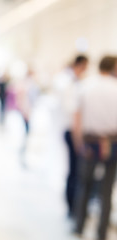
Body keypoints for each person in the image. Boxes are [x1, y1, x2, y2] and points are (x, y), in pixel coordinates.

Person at [73, 56, 117, 240]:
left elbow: (77, 117)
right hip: (113, 142)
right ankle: (102, 232)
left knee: (85, 184)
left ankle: (79, 226)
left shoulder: (85, 86)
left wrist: (78, 143)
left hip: (90, 141)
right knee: (107, 190)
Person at [54, 55, 89, 217]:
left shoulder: (75, 83)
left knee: (76, 170)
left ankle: (75, 206)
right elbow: (72, 110)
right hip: (71, 130)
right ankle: (72, 207)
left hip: (73, 129)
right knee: (75, 171)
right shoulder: (68, 83)